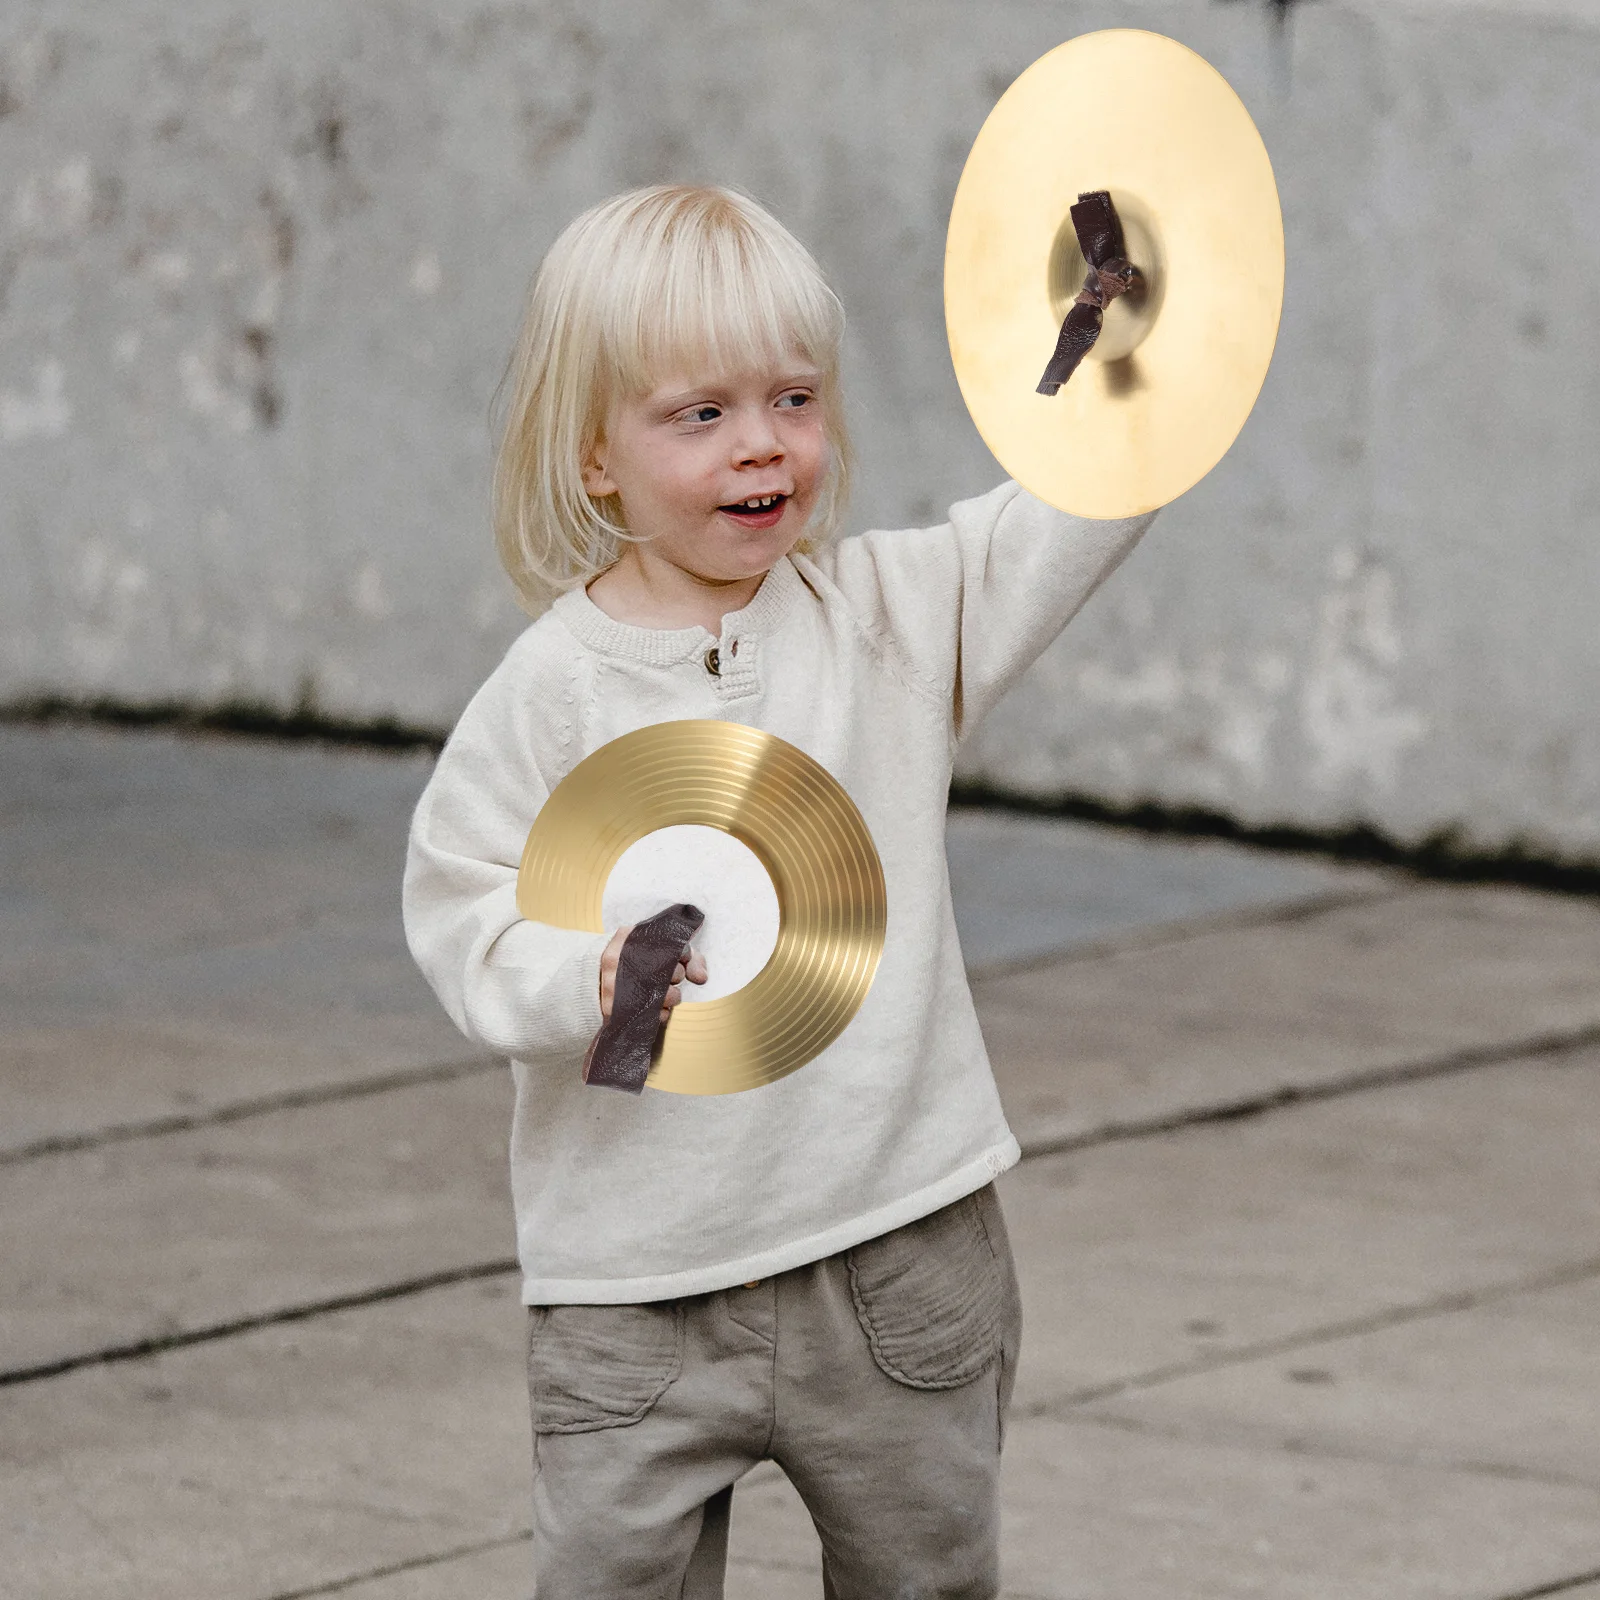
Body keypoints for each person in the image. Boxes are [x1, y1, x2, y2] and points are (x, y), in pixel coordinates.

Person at [402, 183, 1155, 1598]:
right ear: (594, 459)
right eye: (701, 414)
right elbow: (459, 902)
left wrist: (1131, 337)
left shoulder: (886, 620)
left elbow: (1077, 499)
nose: (763, 443)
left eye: (794, 399)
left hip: (898, 1252)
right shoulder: (550, 694)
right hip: (633, 1284)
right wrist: (582, 980)